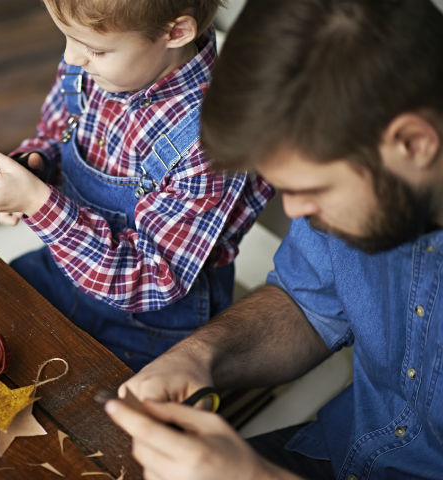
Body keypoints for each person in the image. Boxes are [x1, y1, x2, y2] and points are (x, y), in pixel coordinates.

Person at [104, 0, 443, 478]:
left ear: (414, 143)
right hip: (334, 452)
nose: (294, 211)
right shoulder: (369, 178)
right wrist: (198, 358)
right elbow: (305, 304)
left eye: (314, 189)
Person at [0, 0, 273, 371]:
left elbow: (157, 277)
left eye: (95, 49)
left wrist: (38, 205)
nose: (72, 57)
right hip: (66, 272)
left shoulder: (213, 140)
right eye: (66, 37)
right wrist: (32, 167)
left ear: (175, 33)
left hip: (152, 328)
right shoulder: (94, 66)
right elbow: (55, 133)